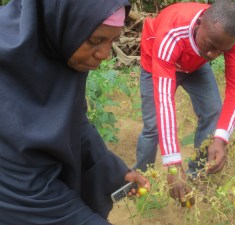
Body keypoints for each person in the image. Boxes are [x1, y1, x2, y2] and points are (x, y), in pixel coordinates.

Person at [0, 0, 150, 224]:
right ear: (63, 21)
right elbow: (22, 191)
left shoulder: (56, 45)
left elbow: (71, 122)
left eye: (112, 40)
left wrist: (112, 172)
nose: (104, 54)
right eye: (95, 40)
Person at [134, 0, 235, 204]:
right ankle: (140, 178)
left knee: (213, 111)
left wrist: (222, 138)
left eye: (222, 51)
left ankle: (197, 175)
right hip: (158, 59)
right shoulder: (173, 34)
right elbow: (165, 101)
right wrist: (173, 164)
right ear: (200, 23)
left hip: (195, 65)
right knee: (152, 126)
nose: (214, 56)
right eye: (211, 46)